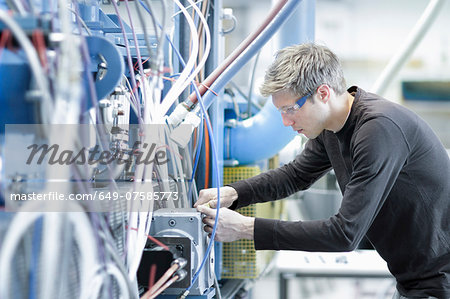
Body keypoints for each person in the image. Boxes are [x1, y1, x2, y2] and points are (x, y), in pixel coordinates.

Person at [194, 43, 450, 299]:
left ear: (323, 93)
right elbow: (296, 175)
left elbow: (344, 234)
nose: (286, 121)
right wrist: (232, 193)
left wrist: (245, 228)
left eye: (290, 109)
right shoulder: (332, 128)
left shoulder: (378, 129)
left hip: (440, 279)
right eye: (280, 111)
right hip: (415, 277)